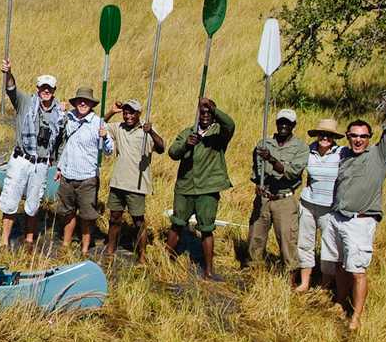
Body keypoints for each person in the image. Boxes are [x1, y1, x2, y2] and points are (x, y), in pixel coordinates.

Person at [322, 80, 386, 330]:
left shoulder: (378, 154)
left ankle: (356, 317)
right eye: (353, 135)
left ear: (369, 138)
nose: (358, 140)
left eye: (363, 136)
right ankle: (340, 301)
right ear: (348, 136)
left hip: (360, 222)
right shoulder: (343, 155)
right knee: (340, 265)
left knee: (357, 271)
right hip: (337, 218)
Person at [165, 97, 236, 279]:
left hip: (208, 189)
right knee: (178, 224)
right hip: (185, 187)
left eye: (209, 112)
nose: (205, 115)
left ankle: (208, 269)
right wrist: (186, 144)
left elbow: (230, 124)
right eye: (202, 111)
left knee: (206, 228)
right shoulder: (187, 132)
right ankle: (167, 260)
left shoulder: (219, 134)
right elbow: (173, 153)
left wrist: (214, 109)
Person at [0, 63, 64, 248]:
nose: (46, 91)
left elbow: (61, 141)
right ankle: (4, 241)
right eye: (43, 88)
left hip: (41, 164)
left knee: (33, 204)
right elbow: (10, 88)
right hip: (21, 159)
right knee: (11, 200)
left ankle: (29, 240)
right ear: (37, 89)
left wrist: (58, 164)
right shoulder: (25, 101)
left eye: (49, 89)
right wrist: (9, 72)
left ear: (54, 90)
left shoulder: (59, 112)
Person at [247, 109, 308, 279]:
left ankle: (290, 278)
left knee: (287, 241)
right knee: (255, 238)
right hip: (264, 198)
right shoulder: (263, 144)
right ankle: (254, 273)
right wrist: (258, 185)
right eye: (281, 122)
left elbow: (292, 173)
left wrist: (272, 159)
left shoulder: (301, 147)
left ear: (293, 125)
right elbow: (256, 170)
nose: (283, 126)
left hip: (284, 200)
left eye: (287, 123)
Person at [103, 100, 165, 260]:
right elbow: (100, 124)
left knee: (138, 221)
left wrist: (151, 132)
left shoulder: (146, 129)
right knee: (114, 217)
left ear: (139, 113)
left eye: (132, 113)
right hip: (118, 182)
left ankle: (142, 255)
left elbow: (161, 147)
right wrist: (112, 111)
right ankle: (110, 250)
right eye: (126, 112)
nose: (128, 116)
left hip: (137, 184)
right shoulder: (119, 127)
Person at [55, 86, 113, 255]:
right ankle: (65, 245)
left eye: (86, 101)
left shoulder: (98, 123)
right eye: (79, 100)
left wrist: (105, 137)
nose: (82, 103)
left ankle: (85, 249)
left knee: (87, 217)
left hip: (87, 178)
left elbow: (109, 151)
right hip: (67, 175)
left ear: (91, 104)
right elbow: (59, 134)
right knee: (67, 212)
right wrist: (61, 112)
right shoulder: (70, 117)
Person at [294, 118, 343, 292]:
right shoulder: (309, 151)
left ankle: (325, 284)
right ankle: (305, 282)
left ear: (334, 137)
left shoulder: (341, 153)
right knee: (304, 242)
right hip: (308, 204)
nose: (325, 138)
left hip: (329, 208)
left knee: (329, 246)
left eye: (329, 135)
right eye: (322, 134)